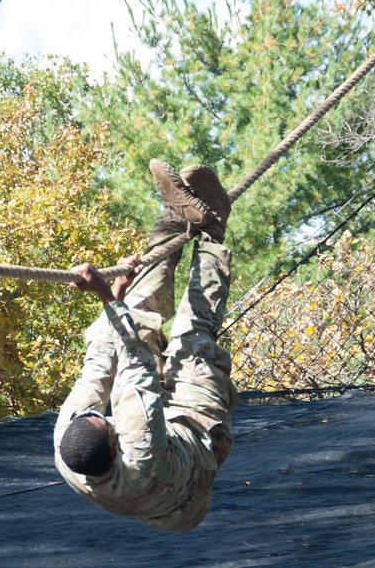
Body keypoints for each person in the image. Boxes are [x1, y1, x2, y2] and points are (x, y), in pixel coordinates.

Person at [53, 159, 238, 533]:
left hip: (149, 464)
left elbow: (99, 365)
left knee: (129, 313)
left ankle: (174, 217)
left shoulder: (67, 445)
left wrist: (119, 292)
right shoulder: (138, 448)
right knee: (191, 340)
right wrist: (106, 295)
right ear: (114, 437)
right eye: (108, 421)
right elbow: (138, 366)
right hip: (188, 476)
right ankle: (213, 230)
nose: (105, 414)